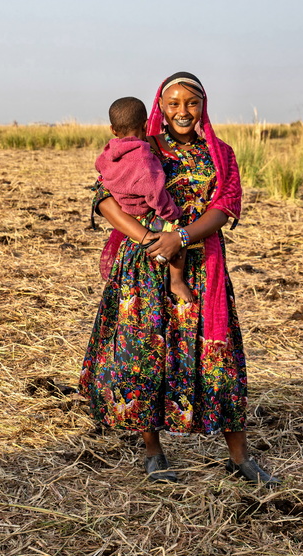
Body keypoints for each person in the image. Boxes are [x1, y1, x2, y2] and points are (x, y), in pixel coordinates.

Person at [79, 72, 279, 488]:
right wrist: (153, 239)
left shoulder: (220, 153)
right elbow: (103, 198)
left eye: (191, 102)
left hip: (202, 268)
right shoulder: (141, 146)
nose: (182, 111)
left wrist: (182, 237)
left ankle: (239, 456)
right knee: (145, 355)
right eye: (173, 103)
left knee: (216, 359)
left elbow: (225, 206)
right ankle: (153, 451)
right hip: (146, 267)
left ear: (203, 106)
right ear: (160, 107)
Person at [94, 96, 193, 303]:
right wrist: (172, 213)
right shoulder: (144, 158)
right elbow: (154, 192)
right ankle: (176, 279)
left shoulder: (110, 151)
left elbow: (100, 170)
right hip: (143, 211)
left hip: (126, 212)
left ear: (113, 129)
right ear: (146, 125)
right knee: (178, 237)